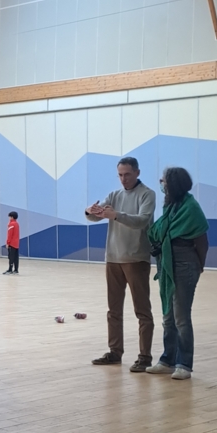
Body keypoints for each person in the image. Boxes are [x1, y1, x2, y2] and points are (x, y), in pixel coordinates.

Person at [85, 156, 156, 372]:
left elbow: (142, 220)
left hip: (136, 258)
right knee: (113, 310)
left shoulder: (147, 194)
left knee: (142, 310)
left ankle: (145, 357)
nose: (123, 179)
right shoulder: (114, 195)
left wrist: (116, 215)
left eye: (127, 174)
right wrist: (90, 211)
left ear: (137, 173)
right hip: (113, 258)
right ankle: (115, 352)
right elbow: (96, 217)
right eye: (120, 175)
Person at [146, 167, 209, 380]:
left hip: (185, 263)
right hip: (167, 262)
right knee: (168, 316)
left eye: (163, 180)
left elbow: (202, 242)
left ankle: (184, 364)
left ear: (173, 183)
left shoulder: (191, 207)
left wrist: (199, 265)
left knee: (181, 317)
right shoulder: (171, 206)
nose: (161, 183)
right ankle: (167, 360)